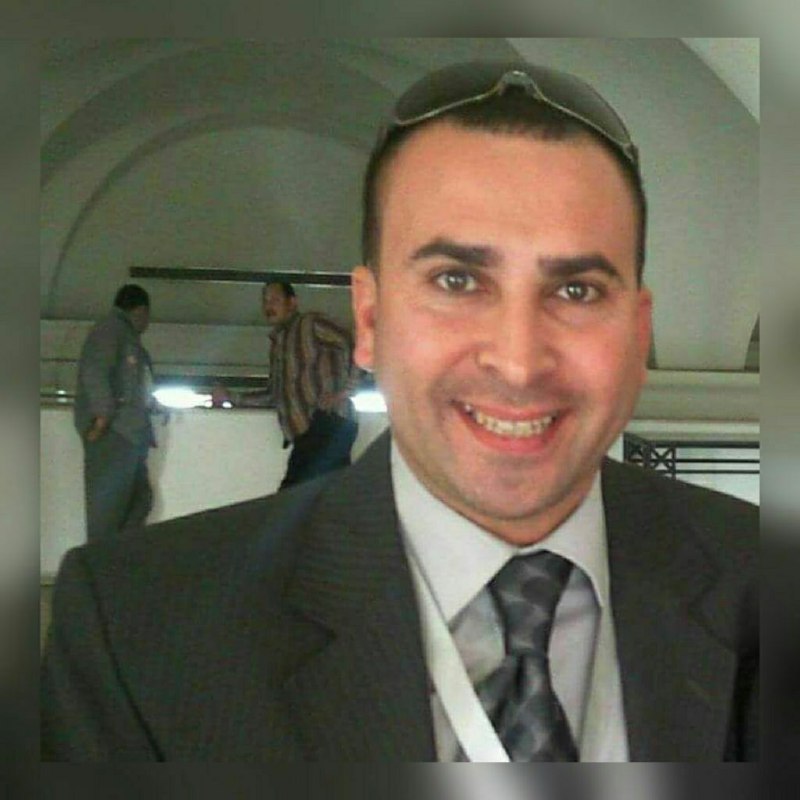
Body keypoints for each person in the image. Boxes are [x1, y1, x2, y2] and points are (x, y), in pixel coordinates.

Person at [41, 62, 757, 762]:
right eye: (457, 280)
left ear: (637, 333)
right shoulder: (138, 630)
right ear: (371, 318)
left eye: (577, 291)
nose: (517, 362)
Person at [212, 281, 360, 490]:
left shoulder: (310, 324)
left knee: (293, 495)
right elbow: (274, 395)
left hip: (328, 421)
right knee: (324, 495)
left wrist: (346, 391)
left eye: (274, 300)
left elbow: (353, 342)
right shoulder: (278, 346)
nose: (268, 306)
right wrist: (231, 397)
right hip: (310, 432)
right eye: (265, 301)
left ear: (292, 303)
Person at [72, 284, 156, 542]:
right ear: (141, 311)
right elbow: (95, 372)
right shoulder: (110, 331)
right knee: (107, 514)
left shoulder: (127, 338)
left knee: (139, 501)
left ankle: (120, 558)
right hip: (116, 434)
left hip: (130, 436)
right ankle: (101, 562)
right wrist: (102, 418)